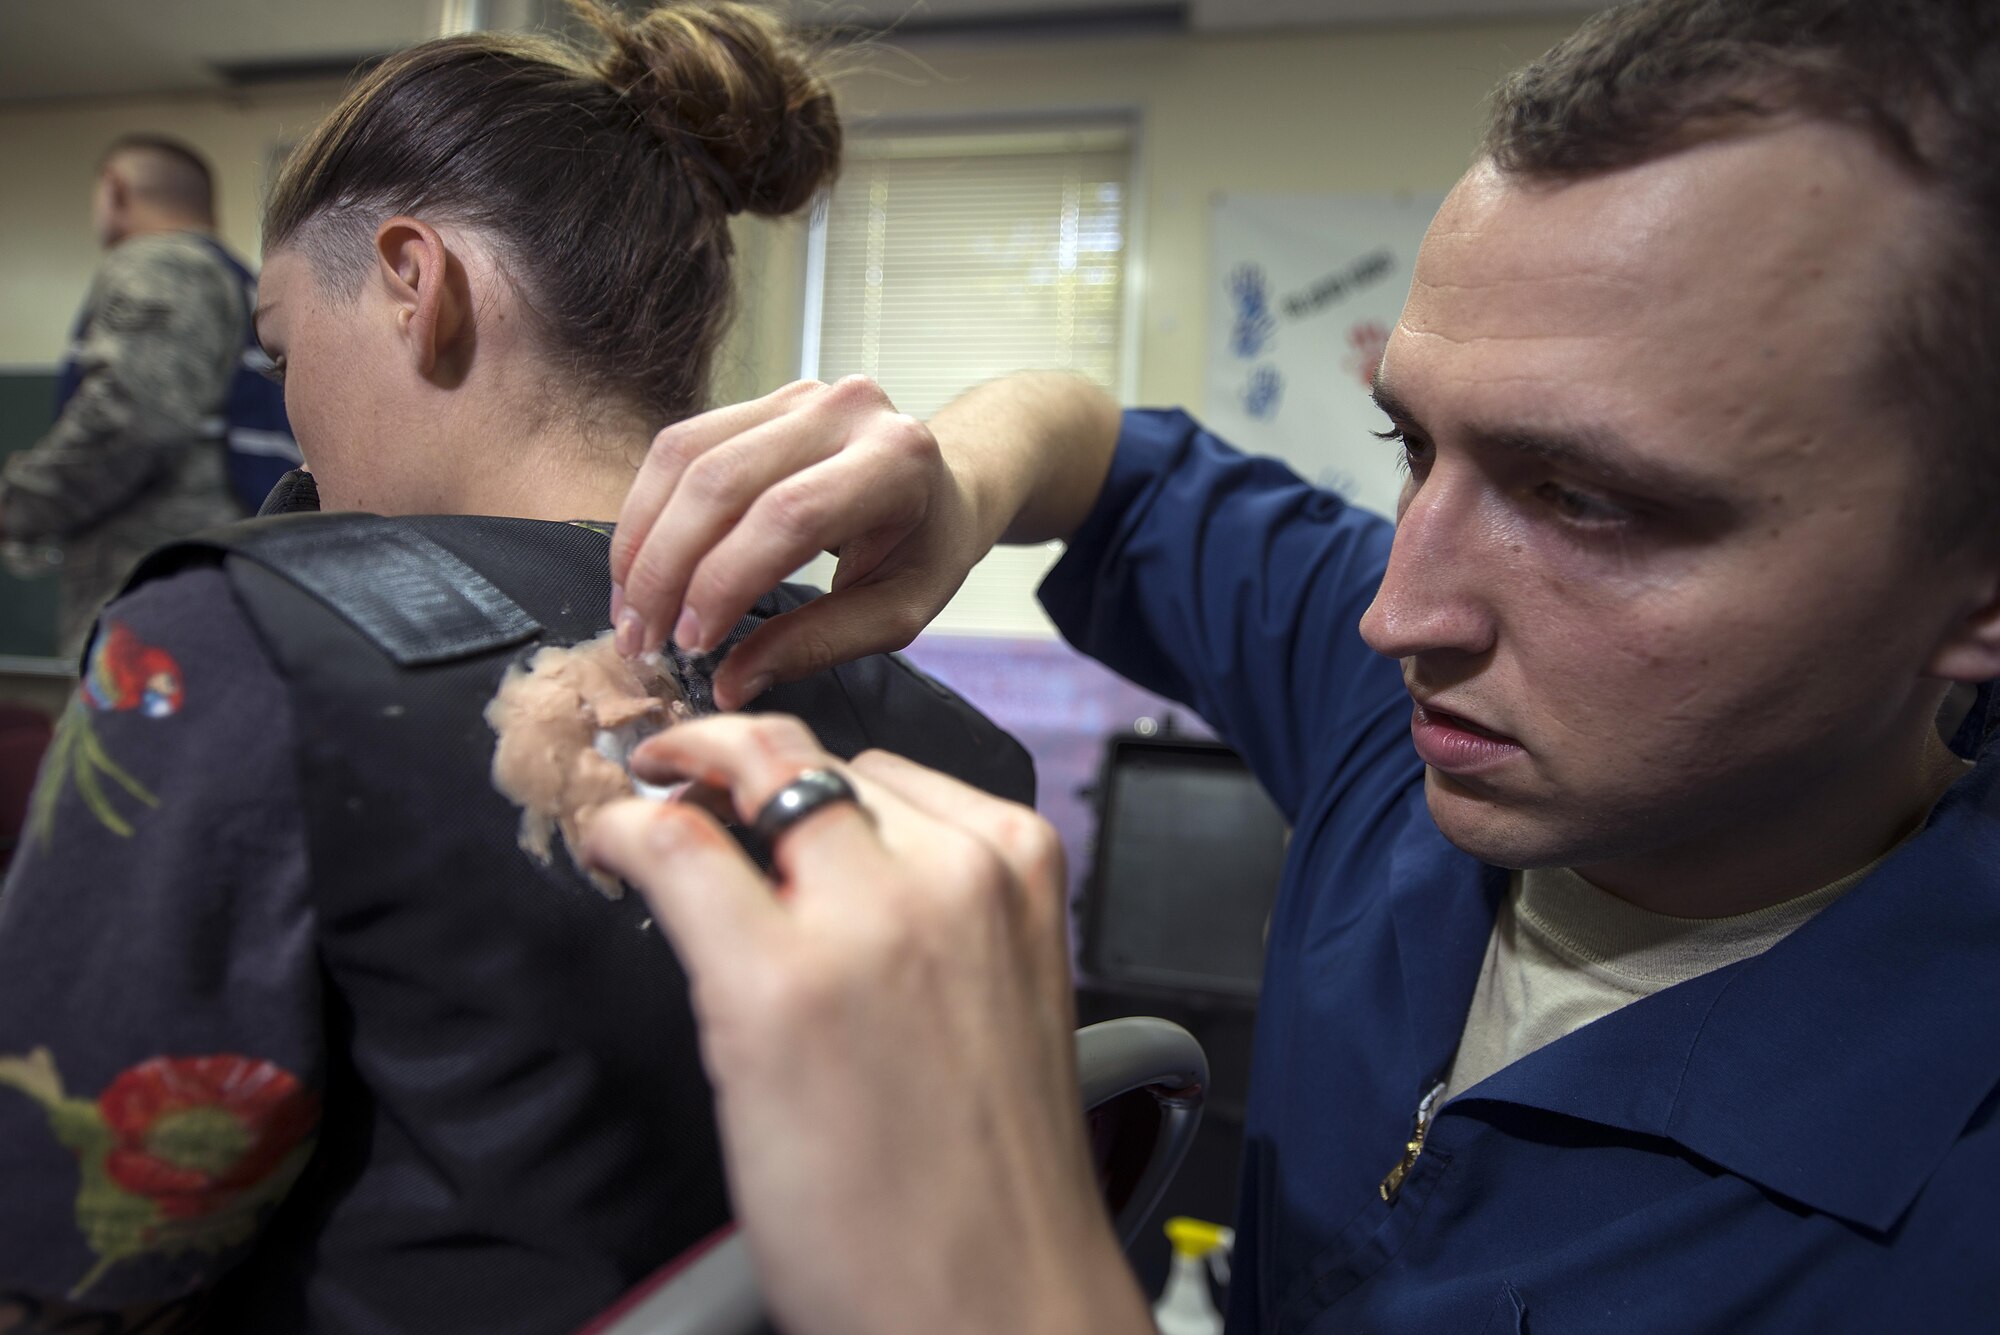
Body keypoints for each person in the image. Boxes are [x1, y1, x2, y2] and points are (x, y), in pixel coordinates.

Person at [592, 0, 2000, 1330]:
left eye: (1586, 500)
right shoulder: (1411, 717)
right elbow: (1107, 455)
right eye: (1416, 447)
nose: (1399, 612)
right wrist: (957, 465)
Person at [0, 6, 1032, 1333]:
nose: (293, 414)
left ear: (412, 283)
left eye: (280, 348)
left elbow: (53, 1236)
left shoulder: (240, 637)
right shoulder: (951, 753)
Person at [0, 136, 296, 660]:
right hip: (217, 572)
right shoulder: (238, 280)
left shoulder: (159, 265)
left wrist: (19, 505)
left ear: (115, 191)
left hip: (146, 586)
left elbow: (135, 414)